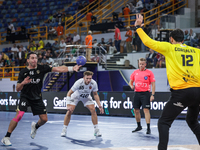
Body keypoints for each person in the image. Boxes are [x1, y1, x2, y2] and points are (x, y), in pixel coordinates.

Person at [135, 14, 200, 150]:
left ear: (171, 39)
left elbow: (148, 42)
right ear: (184, 39)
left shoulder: (170, 48)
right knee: (192, 121)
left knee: (164, 122)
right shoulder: (196, 51)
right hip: (198, 91)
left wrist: (139, 27)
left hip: (182, 91)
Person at [1, 52, 81, 146]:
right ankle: (6, 137)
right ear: (28, 60)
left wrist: (72, 68)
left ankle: (35, 126)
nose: (34, 59)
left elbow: (58, 69)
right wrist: (23, 82)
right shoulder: (23, 72)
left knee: (44, 119)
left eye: (35, 58)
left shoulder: (42, 68)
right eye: (32, 58)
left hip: (37, 97)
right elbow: (18, 88)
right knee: (19, 115)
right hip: (25, 96)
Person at [61, 71, 104, 137]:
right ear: (84, 78)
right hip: (76, 96)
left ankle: (96, 130)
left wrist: (99, 105)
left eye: (90, 78)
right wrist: (68, 105)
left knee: (93, 110)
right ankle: (64, 129)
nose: (89, 80)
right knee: (69, 111)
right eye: (87, 78)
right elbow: (69, 93)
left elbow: (95, 94)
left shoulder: (93, 83)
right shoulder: (78, 82)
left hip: (86, 97)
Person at [129, 57, 155, 135]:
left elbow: (153, 85)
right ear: (138, 64)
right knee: (135, 110)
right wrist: (131, 86)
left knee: (146, 110)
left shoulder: (149, 73)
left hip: (145, 93)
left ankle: (148, 128)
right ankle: (139, 126)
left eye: (143, 64)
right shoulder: (135, 72)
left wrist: (152, 95)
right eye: (140, 64)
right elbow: (130, 82)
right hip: (137, 93)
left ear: (145, 64)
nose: (141, 65)